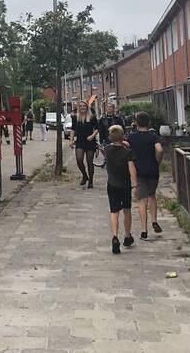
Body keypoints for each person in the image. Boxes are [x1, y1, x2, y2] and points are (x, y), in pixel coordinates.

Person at [127, 111, 165, 240]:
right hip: (153, 170)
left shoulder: (132, 137)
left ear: (136, 123)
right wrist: (157, 161)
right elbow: (159, 149)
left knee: (142, 201)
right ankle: (154, 221)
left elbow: (125, 146)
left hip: (139, 171)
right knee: (152, 195)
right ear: (149, 123)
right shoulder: (153, 136)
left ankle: (144, 231)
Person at [104, 124, 138, 254]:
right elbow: (132, 169)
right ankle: (128, 235)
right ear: (123, 136)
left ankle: (115, 236)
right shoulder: (127, 152)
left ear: (109, 137)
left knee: (114, 211)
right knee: (127, 210)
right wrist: (135, 185)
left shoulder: (107, 150)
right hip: (125, 185)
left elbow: (107, 146)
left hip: (112, 184)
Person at [70, 101, 100, 188]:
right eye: (81, 106)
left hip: (90, 141)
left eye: (84, 106)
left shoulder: (92, 117)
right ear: (78, 107)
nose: (82, 107)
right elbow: (73, 129)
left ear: (87, 107)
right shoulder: (75, 117)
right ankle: (85, 175)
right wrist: (71, 140)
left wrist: (92, 136)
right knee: (79, 160)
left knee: (89, 161)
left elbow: (97, 128)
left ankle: (90, 180)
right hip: (80, 141)